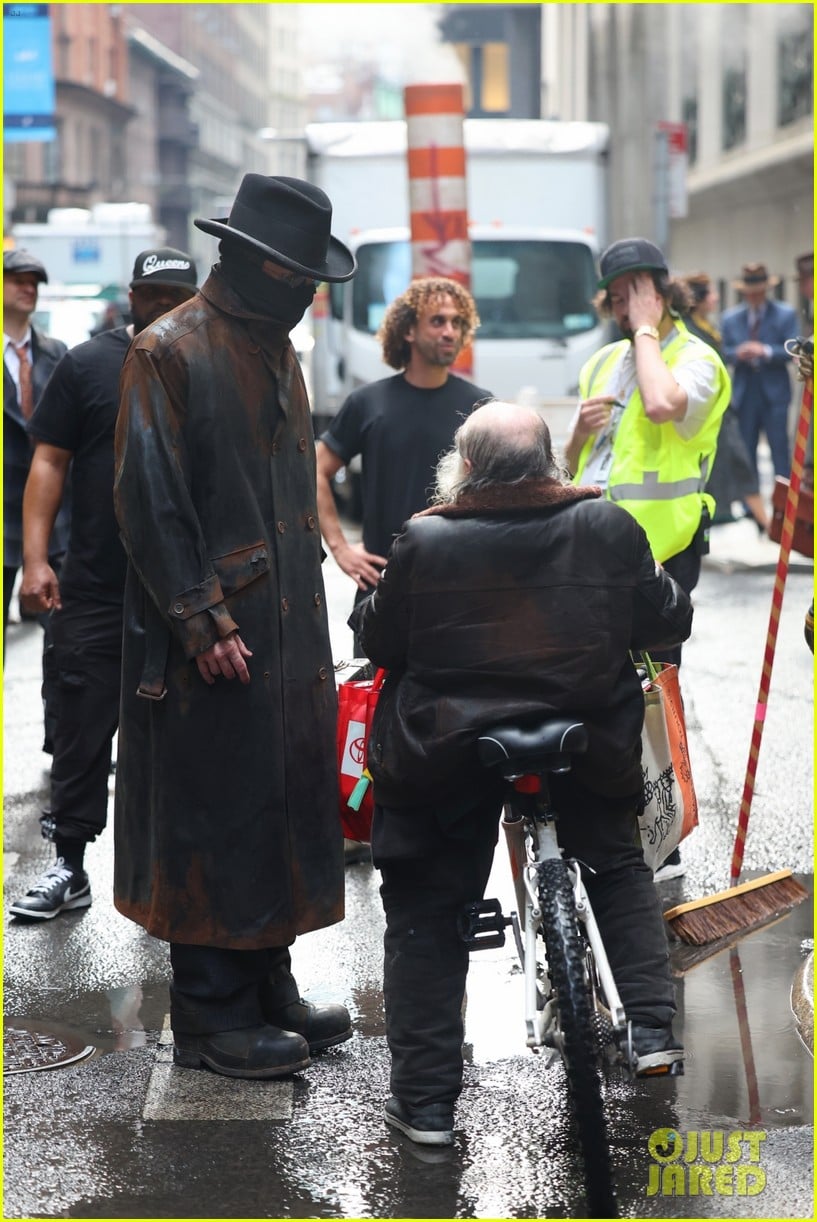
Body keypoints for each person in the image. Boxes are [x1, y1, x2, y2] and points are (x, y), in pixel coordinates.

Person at [351, 400, 692, 1146]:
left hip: (447, 756)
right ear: (549, 462)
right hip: (585, 742)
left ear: (465, 468)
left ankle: (426, 1104)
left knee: (428, 911)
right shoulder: (604, 525)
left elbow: (378, 639)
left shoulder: (425, 539)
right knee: (614, 862)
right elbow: (666, 619)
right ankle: (652, 1031)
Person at [112, 174, 354, 1080]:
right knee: (214, 812)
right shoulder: (168, 350)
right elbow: (149, 500)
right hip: (215, 636)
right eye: (295, 272)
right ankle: (213, 1016)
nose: (306, 290)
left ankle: (266, 984)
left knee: (277, 804)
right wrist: (201, 618)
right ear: (253, 262)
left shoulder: (271, 345)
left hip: (284, 626)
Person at [9, 248, 198, 922]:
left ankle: (175, 875)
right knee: (82, 726)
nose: (163, 306)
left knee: (185, 733)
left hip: (186, 590)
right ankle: (69, 864)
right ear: (132, 295)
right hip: (94, 581)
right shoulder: (88, 364)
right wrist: (36, 560)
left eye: (176, 295)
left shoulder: (209, 365)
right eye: (152, 294)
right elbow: (48, 462)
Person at [564, 237, 730, 672]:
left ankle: (656, 745)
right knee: (595, 672)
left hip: (664, 548)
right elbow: (569, 462)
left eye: (635, 296)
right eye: (616, 299)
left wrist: (644, 329)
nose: (624, 309)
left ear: (662, 295)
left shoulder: (698, 361)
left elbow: (659, 405)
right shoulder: (601, 362)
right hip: (595, 541)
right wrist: (580, 431)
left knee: (652, 678)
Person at [315, 276, 491, 641]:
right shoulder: (368, 402)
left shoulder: (479, 406)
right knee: (373, 697)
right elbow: (315, 471)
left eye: (458, 322)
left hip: (460, 585)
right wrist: (340, 550)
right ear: (408, 330)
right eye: (438, 321)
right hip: (383, 585)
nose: (450, 331)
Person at [3, 248, 68, 750]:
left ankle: (62, 737)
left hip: (52, 518)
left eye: (35, 280)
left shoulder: (57, 354)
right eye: (17, 279)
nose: (28, 287)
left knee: (62, 638)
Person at [682, 272, 769, 534]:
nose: (716, 297)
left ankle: (764, 521)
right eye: (710, 293)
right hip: (708, 410)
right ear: (698, 300)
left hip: (721, 408)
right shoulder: (689, 329)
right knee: (734, 461)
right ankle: (764, 521)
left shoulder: (705, 325)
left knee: (736, 461)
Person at [720, 261, 798, 481]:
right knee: (746, 449)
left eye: (758, 293)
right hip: (745, 392)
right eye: (749, 293)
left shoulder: (785, 314)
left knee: (779, 449)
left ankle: (783, 504)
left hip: (774, 393)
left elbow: (793, 349)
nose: (753, 297)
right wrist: (739, 352)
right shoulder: (730, 318)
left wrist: (764, 351)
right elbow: (722, 352)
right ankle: (750, 505)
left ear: (766, 290)